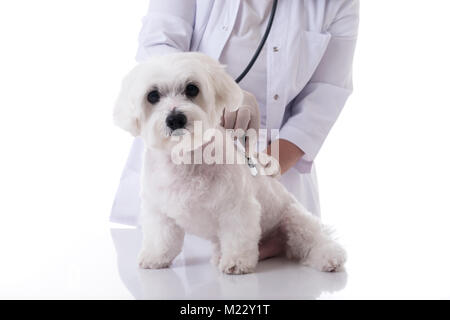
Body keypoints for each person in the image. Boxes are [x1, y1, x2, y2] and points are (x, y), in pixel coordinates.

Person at [111, 0, 359, 260]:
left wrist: (256, 174)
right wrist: (209, 89)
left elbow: (323, 98)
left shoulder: (337, 4)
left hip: (273, 182)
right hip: (170, 170)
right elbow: (158, 46)